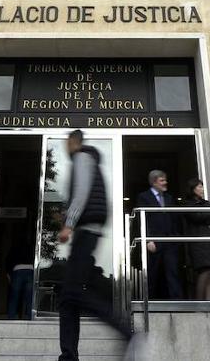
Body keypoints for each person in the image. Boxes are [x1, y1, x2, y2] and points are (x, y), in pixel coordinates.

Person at [57, 130, 135, 361]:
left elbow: (81, 194)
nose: (66, 148)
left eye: (67, 143)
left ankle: (125, 332)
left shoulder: (82, 158)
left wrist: (69, 224)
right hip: (89, 232)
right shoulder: (92, 162)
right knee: (67, 299)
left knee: (72, 293)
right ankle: (68, 356)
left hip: (85, 233)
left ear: (73, 142)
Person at [134, 170, 184, 300]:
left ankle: (177, 302)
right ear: (154, 182)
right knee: (152, 273)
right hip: (154, 240)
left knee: (173, 272)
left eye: (165, 180)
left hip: (169, 240)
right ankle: (149, 302)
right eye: (162, 180)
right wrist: (147, 240)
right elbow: (141, 220)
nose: (165, 183)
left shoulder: (169, 198)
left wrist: (176, 237)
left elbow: (174, 219)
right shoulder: (144, 197)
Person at [181, 178, 210, 301]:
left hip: (209, 241)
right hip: (198, 242)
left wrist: (208, 212)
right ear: (192, 189)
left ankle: (209, 305)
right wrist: (209, 212)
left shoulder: (205, 203)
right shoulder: (187, 204)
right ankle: (200, 304)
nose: (202, 189)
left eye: (202, 186)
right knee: (204, 271)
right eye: (199, 187)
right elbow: (196, 216)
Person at [5, 230, 35, 320]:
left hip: (17, 270)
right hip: (30, 269)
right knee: (29, 297)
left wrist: (8, 273)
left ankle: (11, 317)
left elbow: (8, 260)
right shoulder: (31, 247)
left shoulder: (14, 248)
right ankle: (31, 317)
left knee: (14, 296)